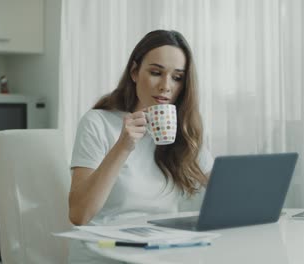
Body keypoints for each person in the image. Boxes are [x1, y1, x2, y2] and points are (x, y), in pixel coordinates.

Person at [68, 30, 214, 263]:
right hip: (104, 252)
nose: (166, 86)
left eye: (177, 77)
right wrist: (123, 146)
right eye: (156, 73)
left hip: (161, 250)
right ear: (135, 72)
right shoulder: (98, 122)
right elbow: (79, 214)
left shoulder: (182, 130)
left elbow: (220, 190)